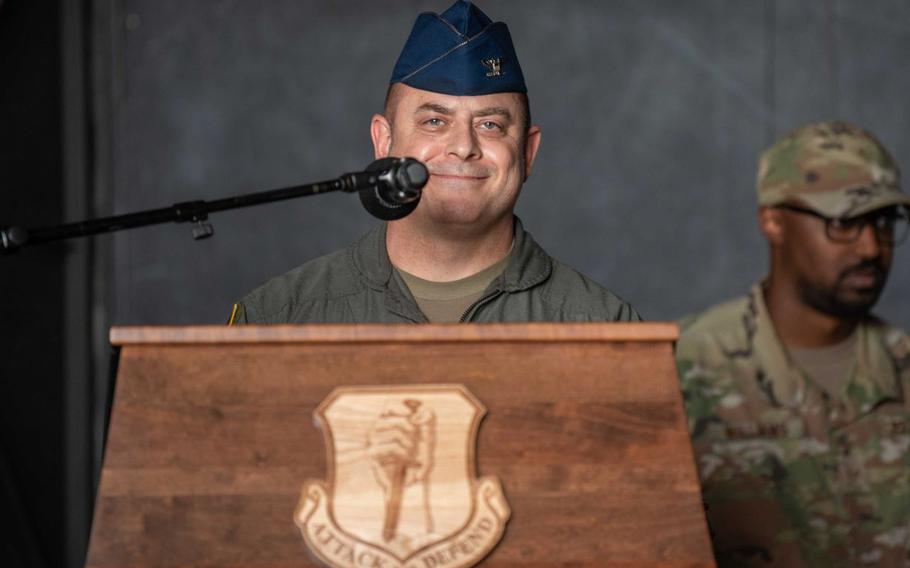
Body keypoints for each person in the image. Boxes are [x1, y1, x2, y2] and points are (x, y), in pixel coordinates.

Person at [229, 1, 637, 324]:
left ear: (528, 153)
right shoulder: (278, 318)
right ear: (383, 140)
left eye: (491, 124)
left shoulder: (606, 327)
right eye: (434, 121)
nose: (462, 147)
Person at [676, 121, 910, 567]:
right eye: (844, 222)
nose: (870, 248)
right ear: (773, 220)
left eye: (883, 221)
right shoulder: (680, 369)